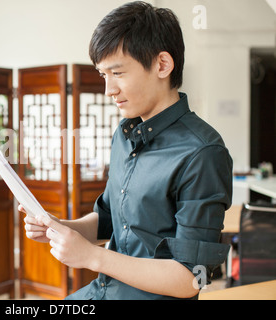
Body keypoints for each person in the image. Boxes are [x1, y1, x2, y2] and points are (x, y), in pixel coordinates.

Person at [19, 1, 233, 300]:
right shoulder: (125, 135)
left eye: (117, 73)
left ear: (162, 65)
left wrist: (92, 257)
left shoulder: (203, 152)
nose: (108, 89)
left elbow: (191, 279)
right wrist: (60, 228)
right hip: (103, 291)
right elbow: (109, 220)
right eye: (102, 75)